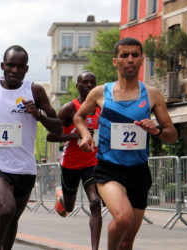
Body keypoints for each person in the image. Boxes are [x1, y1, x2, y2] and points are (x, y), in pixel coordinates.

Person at [74, 37, 177, 250]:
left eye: (135, 55)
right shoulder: (101, 92)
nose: (130, 59)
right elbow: (79, 116)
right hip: (109, 170)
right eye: (124, 55)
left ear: (141, 60)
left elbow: (171, 135)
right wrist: (85, 134)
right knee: (123, 217)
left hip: (139, 172)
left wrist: (155, 130)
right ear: (116, 61)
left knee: (127, 241)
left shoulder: (152, 95)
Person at [0, 45, 63, 250]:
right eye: (10, 65)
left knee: (13, 218)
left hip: (25, 167)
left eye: (20, 66)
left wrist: (39, 115)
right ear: (2, 66)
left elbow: (58, 127)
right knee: (6, 209)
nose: (15, 70)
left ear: (26, 68)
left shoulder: (35, 91)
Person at [47, 71, 102, 250]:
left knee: (95, 203)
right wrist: (75, 135)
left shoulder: (102, 107)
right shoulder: (70, 108)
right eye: (85, 82)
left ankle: (95, 248)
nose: (89, 86)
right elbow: (50, 136)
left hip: (92, 163)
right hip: (71, 164)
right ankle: (61, 197)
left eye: (92, 83)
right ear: (78, 86)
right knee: (69, 208)